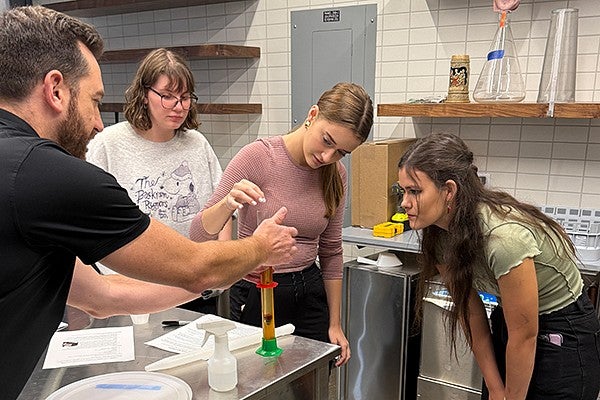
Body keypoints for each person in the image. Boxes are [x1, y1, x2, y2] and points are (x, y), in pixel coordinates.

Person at [0, 6, 297, 399]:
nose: (97, 122)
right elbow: (195, 268)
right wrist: (258, 247)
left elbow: (101, 297)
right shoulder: (47, 173)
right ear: (55, 89)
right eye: (93, 100)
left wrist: (215, 276)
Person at [396, 132, 600, 400]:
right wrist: (494, 387)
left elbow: (525, 336)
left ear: (449, 191)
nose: (404, 202)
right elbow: (472, 313)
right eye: (403, 191)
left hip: (562, 333)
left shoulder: (503, 240)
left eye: (415, 191)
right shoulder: (440, 234)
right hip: (511, 324)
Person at [190, 82, 373, 367]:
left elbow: (331, 251)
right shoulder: (259, 157)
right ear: (312, 115)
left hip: (310, 295)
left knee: (310, 387)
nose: (328, 157)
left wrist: (335, 324)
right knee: (255, 382)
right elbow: (199, 233)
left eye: (341, 152)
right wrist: (227, 203)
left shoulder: (335, 174)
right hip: (257, 291)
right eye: (327, 140)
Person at [87, 48, 231, 314]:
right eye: (167, 96)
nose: (178, 107)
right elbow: (86, 217)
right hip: (130, 292)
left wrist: (220, 266)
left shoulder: (197, 144)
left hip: (193, 288)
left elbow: (222, 208)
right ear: (144, 95)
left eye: (185, 97)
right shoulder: (109, 144)